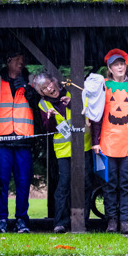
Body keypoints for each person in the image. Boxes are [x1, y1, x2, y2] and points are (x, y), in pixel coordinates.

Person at [92, 49, 128, 234]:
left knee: (126, 184)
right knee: (110, 184)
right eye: (115, 64)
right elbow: (97, 116)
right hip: (107, 144)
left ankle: (125, 221)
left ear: (126, 66)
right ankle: (111, 221)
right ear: (109, 67)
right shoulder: (103, 87)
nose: (119, 67)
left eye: (122, 64)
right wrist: (95, 141)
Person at [32, 70, 86, 234]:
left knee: (86, 182)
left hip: (84, 146)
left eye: (49, 84)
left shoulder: (73, 91)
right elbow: (47, 130)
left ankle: (83, 221)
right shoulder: (43, 104)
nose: (48, 89)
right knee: (63, 185)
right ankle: (60, 223)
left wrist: (71, 104)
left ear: (55, 81)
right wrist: (50, 119)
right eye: (44, 89)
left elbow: (88, 111)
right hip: (63, 150)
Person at [0, 50, 39, 234]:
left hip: (23, 138)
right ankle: (1, 219)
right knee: (1, 181)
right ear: (8, 60)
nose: (21, 62)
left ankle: (21, 219)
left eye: (23, 60)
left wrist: (29, 91)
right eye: (18, 59)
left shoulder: (31, 80)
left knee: (23, 181)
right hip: (2, 138)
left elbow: (39, 107)